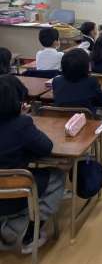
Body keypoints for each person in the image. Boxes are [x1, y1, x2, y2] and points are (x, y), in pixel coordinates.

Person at [0, 75, 66, 254]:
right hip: (15, 194)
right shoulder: (21, 124)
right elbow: (46, 147)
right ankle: (30, 231)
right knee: (58, 176)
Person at [53, 49, 102, 115]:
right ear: (85, 66)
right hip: (86, 118)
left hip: (60, 117)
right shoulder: (92, 81)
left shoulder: (56, 81)